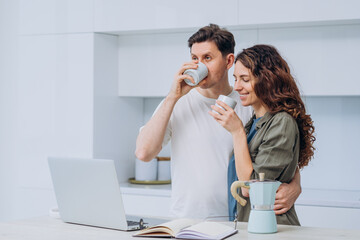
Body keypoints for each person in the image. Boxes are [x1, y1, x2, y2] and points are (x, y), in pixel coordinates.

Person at [135, 24, 302, 220]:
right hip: (186, 219)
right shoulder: (176, 103)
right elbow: (143, 153)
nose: (199, 66)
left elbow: (276, 156)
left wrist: (295, 186)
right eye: (194, 59)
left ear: (229, 60)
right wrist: (172, 96)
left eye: (207, 58)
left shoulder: (249, 100)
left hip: (236, 219)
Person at [209, 44, 316, 225]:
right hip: (247, 225)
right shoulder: (255, 121)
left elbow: (251, 188)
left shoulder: (282, 122)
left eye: (245, 79)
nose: (237, 87)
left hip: (272, 227)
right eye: (235, 79)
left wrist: (236, 132)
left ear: (267, 80)